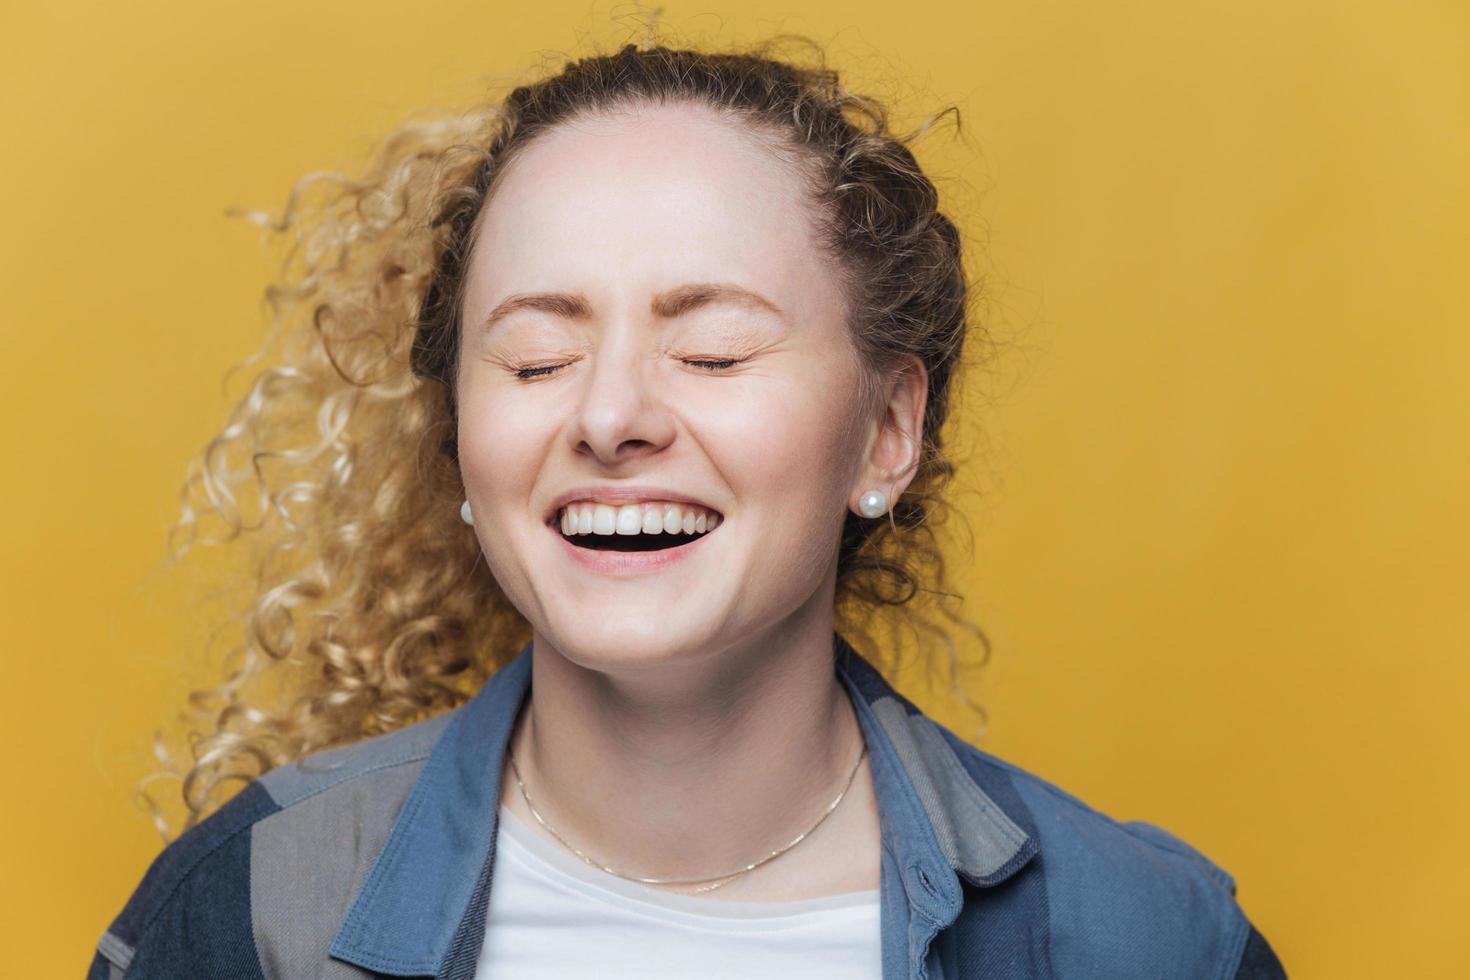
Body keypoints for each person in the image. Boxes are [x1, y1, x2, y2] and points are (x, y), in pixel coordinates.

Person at [87, 35, 1286, 980]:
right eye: (537, 358)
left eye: (713, 351)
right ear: (459, 439)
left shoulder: (1148, 942)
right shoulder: (246, 911)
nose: (609, 416)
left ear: (886, 431)